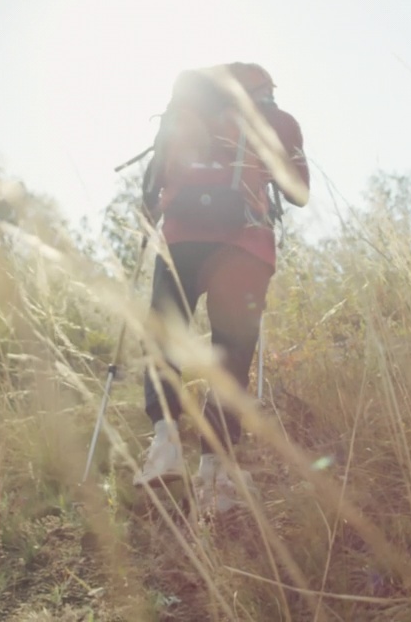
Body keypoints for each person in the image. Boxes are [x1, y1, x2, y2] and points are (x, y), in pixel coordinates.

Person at [132, 62, 309, 512]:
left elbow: (151, 188)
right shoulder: (279, 122)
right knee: (230, 353)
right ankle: (216, 473)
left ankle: (164, 445)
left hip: (181, 238)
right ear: (264, 89)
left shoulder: (187, 116)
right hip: (246, 246)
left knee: (166, 334)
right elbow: (299, 192)